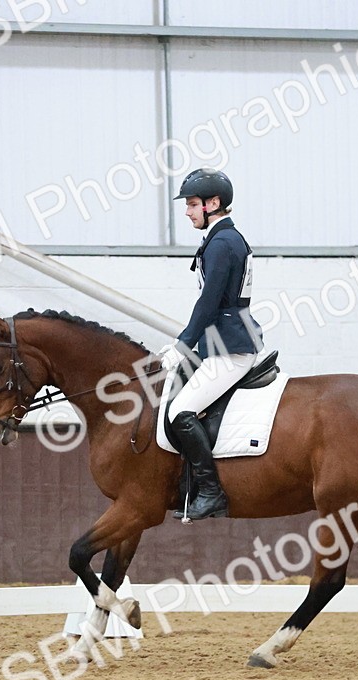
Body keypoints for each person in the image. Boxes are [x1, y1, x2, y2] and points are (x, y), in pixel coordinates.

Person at [156, 168, 263, 520]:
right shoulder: (222, 239)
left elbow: (209, 303)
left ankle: (211, 492)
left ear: (213, 203)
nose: (187, 212)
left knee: (180, 412)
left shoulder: (222, 243)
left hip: (229, 347)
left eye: (192, 205)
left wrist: (182, 345)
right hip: (220, 342)